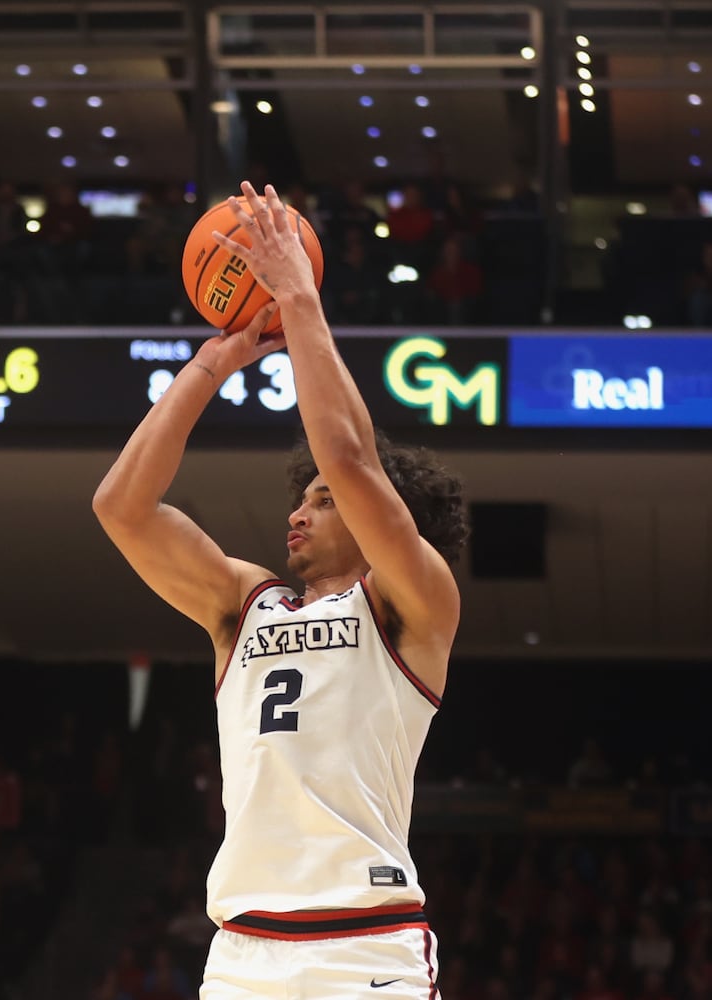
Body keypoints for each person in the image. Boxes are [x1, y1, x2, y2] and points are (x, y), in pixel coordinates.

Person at [93, 181, 468, 999]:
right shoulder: (243, 604)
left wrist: (298, 297)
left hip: (365, 946)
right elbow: (120, 508)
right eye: (297, 498)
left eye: (319, 500)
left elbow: (349, 457)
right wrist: (208, 364)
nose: (297, 512)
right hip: (243, 951)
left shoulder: (411, 603)